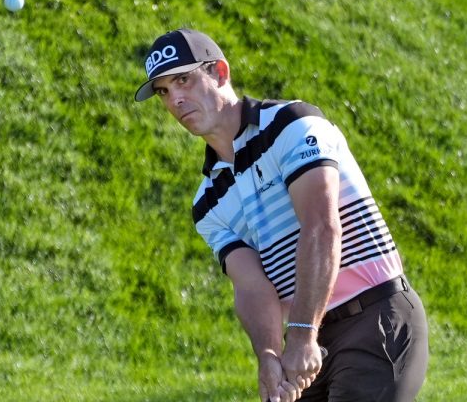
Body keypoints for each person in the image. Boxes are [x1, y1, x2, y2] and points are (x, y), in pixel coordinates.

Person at [134, 28, 429, 402]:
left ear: (220, 73)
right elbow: (251, 286)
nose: (175, 99)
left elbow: (321, 228)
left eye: (184, 80)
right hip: (308, 340)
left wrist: (303, 333)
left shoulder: (292, 125)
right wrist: (270, 355)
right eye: (163, 91)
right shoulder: (207, 202)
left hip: (375, 317)